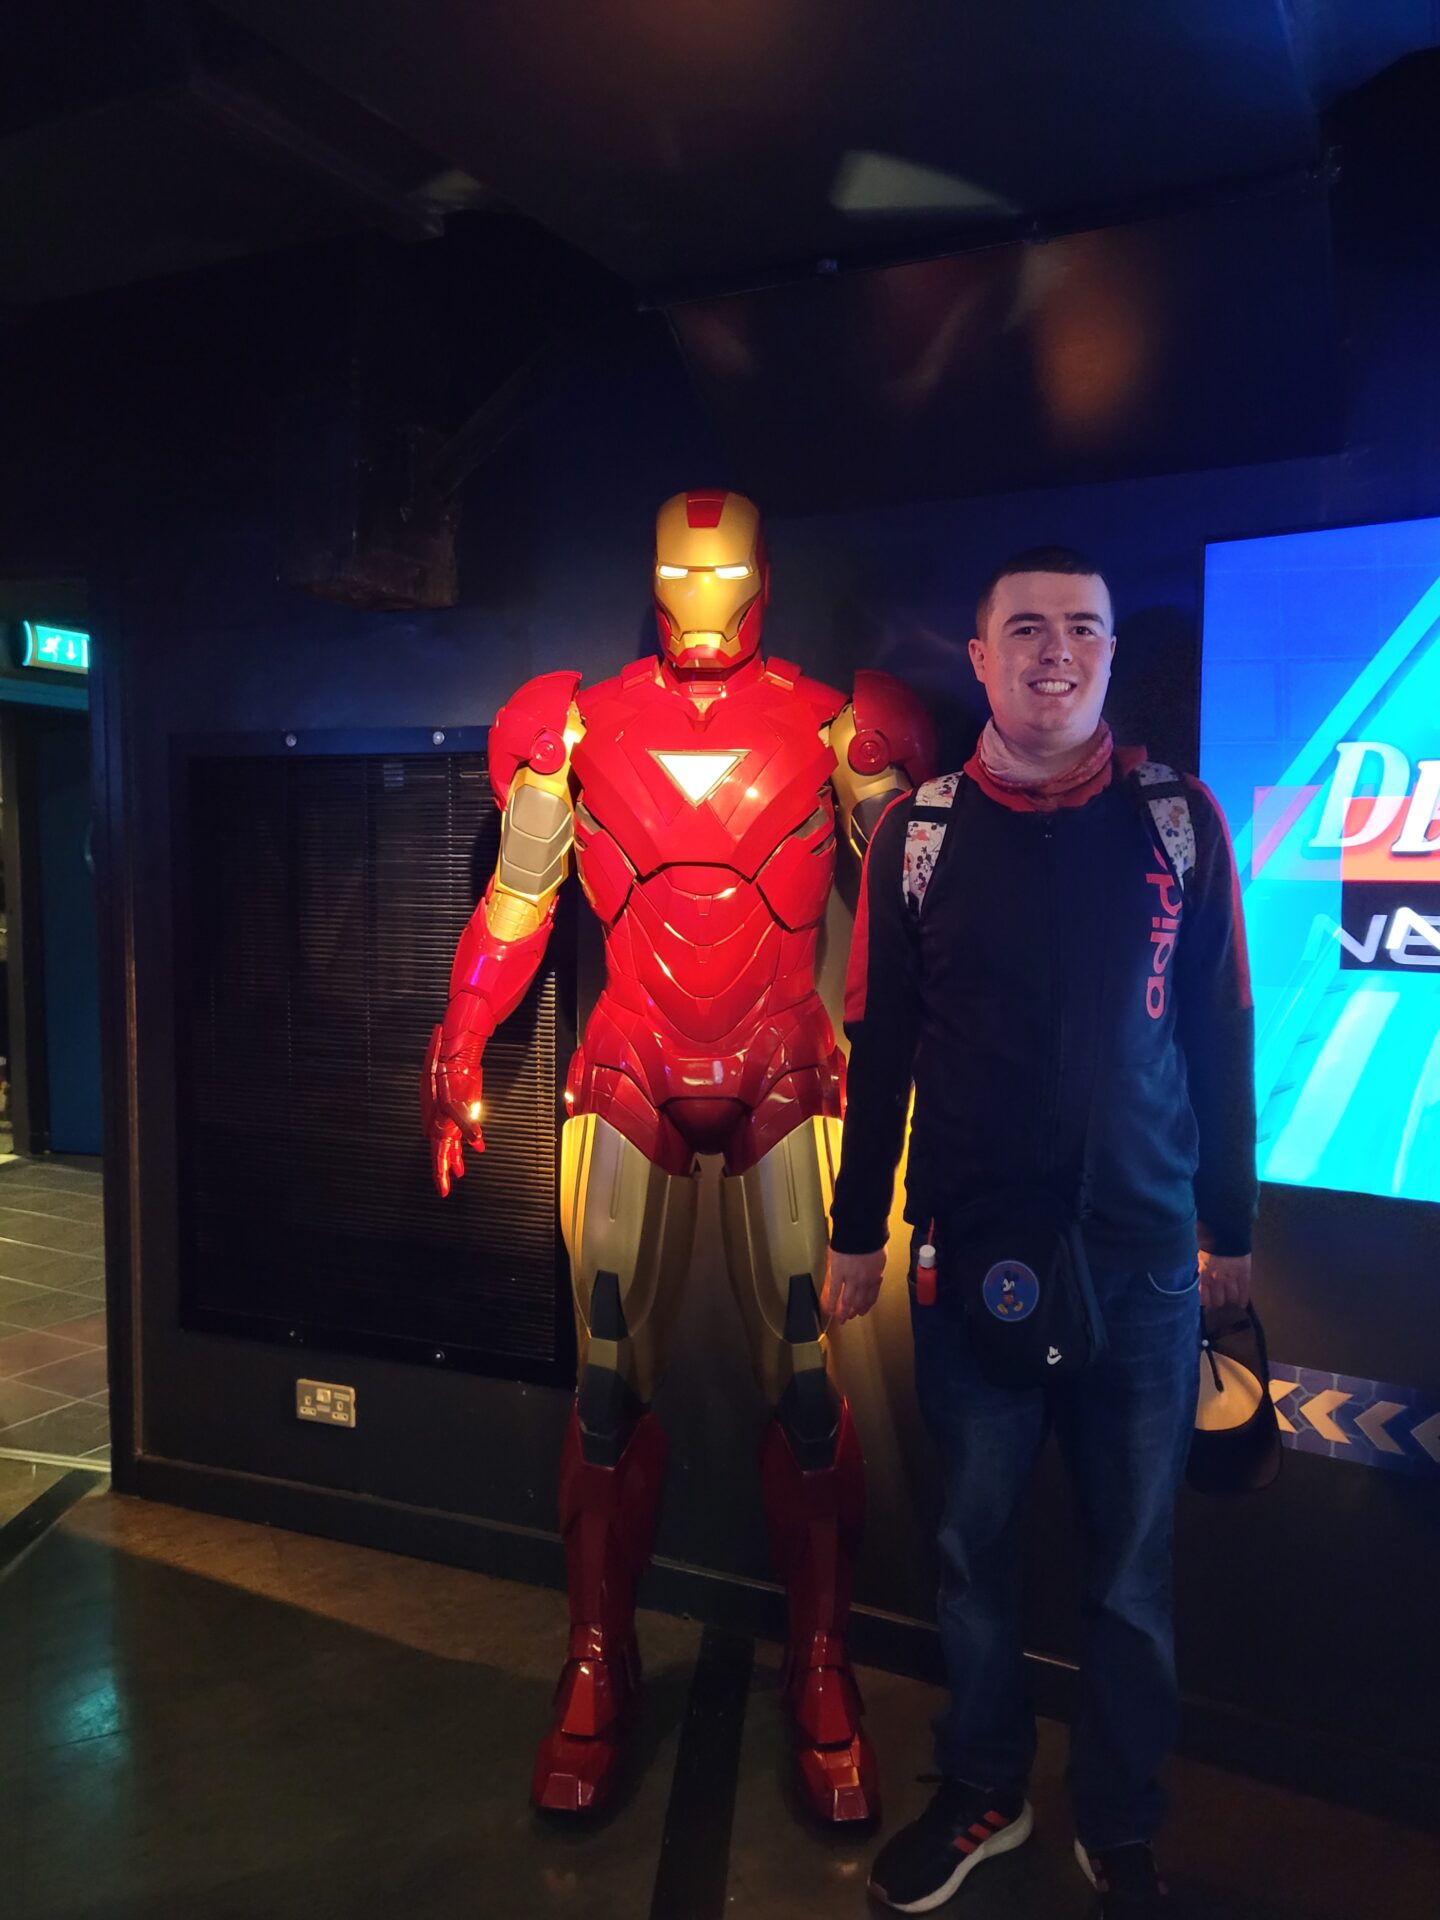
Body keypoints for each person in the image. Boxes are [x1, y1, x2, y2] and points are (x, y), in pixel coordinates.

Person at [825, 548, 1256, 1918]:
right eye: (1026, 627)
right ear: (982, 654)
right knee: (973, 1551)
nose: (1055, 650)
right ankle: (985, 1790)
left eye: (1082, 627)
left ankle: (1117, 1822)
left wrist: (1231, 1225)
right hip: (971, 1266)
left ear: (1112, 655)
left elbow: (1221, 1035)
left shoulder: (1181, 820)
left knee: (1131, 1576)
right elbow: (881, 1052)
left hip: (1145, 1270)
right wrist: (855, 1232)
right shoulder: (919, 833)